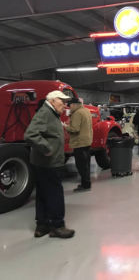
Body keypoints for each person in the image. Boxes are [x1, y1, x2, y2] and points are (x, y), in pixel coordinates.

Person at [24, 90, 75, 239]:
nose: (65, 105)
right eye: (62, 101)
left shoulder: (51, 113)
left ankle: (42, 225)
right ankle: (57, 226)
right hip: (48, 162)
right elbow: (30, 134)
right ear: (52, 100)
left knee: (43, 193)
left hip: (44, 162)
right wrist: (46, 148)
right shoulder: (46, 112)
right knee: (55, 193)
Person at [65, 98, 93, 192]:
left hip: (79, 142)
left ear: (74, 105)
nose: (69, 107)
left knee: (81, 165)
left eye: (70, 105)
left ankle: (85, 185)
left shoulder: (77, 113)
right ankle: (87, 183)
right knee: (86, 164)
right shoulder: (86, 110)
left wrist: (65, 126)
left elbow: (75, 129)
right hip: (87, 141)